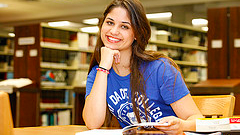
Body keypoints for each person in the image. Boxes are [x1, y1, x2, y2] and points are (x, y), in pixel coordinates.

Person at [82, 0, 204, 134]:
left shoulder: (160, 69)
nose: (113, 31)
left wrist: (182, 125)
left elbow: (196, 119)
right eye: (110, 22)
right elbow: (92, 123)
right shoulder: (98, 73)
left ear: (136, 34)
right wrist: (104, 67)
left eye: (124, 26)